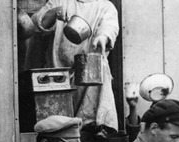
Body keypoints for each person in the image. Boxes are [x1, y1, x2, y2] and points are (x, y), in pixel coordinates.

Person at [31, 0, 119, 133]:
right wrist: (54, 13)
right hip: (58, 67)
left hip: (87, 68)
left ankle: (100, 126)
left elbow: (110, 26)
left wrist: (102, 37)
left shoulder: (105, 6)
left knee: (101, 67)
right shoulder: (60, 1)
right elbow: (35, 24)